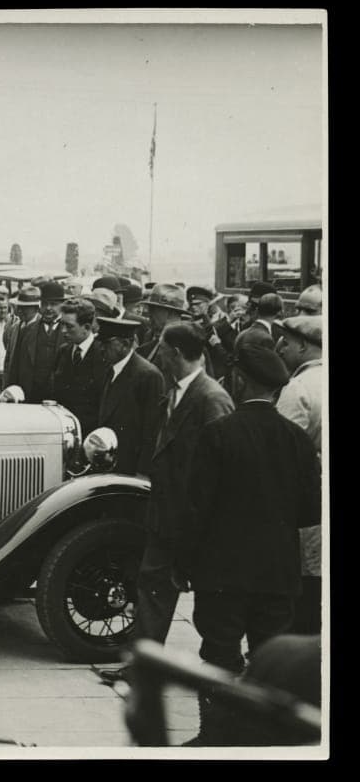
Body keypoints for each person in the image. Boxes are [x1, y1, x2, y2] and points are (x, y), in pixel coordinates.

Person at [176, 331, 320, 745]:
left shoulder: (219, 434)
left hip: (222, 572)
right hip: (277, 571)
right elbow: (311, 512)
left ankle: (215, 735)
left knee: (218, 654)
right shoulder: (296, 440)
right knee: (270, 657)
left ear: (240, 380)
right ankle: (262, 737)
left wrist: (182, 566)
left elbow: (195, 510)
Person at [101, 321, 234, 686]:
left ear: (175, 352)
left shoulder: (211, 398)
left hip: (194, 519)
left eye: (161, 347)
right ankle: (144, 666)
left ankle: (218, 670)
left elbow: (222, 466)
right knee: (152, 586)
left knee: (207, 601)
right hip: (166, 513)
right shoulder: (177, 393)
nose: (156, 353)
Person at [274, 315, 323, 635]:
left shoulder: (299, 388)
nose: (280, 347)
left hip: (306, 507)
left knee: (304, 593)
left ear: (304, 346)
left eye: (287, 342)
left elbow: (280, 452)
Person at [95, 317, 166, 477]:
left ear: (126, 344)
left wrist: (142, 473)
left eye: (106, 344)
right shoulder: (112, 369)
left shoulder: (147, 375)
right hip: (111, 464)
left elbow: (152, 431)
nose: (101, 349)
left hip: (131, 469)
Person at [50, 298, 107, 436]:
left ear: (87, 327)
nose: (63, 331)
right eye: (61, 324)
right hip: (65, 433)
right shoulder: (63, 351)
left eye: (69, 326)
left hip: (92, 436)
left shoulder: (103, 355)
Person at [3, 281, 66, 403]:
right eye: (45, 304)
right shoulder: (27, 331)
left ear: (62, 305)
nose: (48, 308)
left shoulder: (68, 332)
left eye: (53, 304)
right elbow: (14, 368)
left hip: (58, 399)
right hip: (30, 398)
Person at [136, 284, 191, 372]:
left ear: (169, 312)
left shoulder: (191, 346)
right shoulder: (150, 342)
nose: (149, 314)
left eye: (153, 309)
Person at [1, 285, 41, 386]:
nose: (20, 310)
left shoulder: (42, 328)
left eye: (25, 307)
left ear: (36, 308)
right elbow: (8, 358)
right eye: (19, 306)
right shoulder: (14, 327)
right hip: (14, 384)